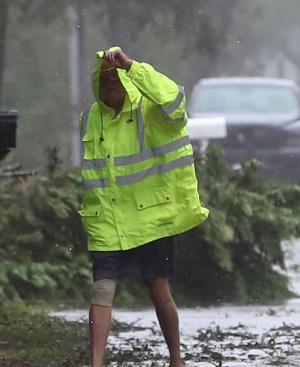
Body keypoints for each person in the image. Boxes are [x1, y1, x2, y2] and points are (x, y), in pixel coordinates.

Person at [77, 46, 209, 367]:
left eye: (116, 77)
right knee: (102, 291)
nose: (110, 84)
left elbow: (175, 104)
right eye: (105, 78)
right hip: (108, 218)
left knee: (158, 288)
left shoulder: (150, 111)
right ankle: (95, 363)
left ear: (127, 80)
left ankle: (176, 358)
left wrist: (133, 66)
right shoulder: (90, 118)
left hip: (151, 216)